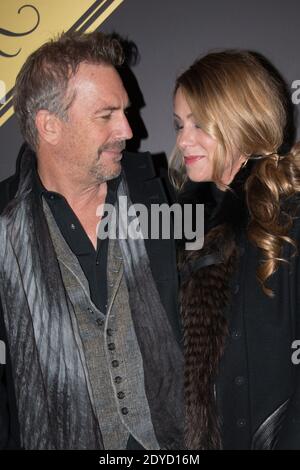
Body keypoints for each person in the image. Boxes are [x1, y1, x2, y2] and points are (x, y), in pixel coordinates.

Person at [0, 31, 183, 450]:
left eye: (125, 111)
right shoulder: (3, 222)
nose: (128, 129)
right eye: (106, 115)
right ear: (50, 126)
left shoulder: (159, 193)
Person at [171, 49, 300, 450]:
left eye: (198, 124)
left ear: (240, 118)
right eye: (178, 124)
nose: (181, 140)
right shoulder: (194, 229)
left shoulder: (290, 216)